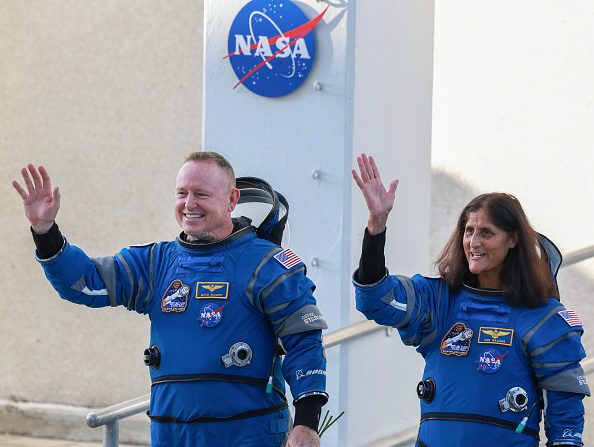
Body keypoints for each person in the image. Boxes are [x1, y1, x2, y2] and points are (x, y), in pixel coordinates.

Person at [12, 151, 328, 447]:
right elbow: (84, 283)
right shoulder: (155, 263)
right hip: (171, 433)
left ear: (232, 200)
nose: (189, 203)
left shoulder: (269, 265)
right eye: (181, 193)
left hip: (248, 434)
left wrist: (306, 425)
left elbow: (305, 344)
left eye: (201, 194)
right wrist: (45, 231)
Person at [351, 153, 589, 447]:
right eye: (468, 231)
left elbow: (566, 421)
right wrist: (377, 226)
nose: (473, 242)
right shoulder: (437, 300)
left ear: (513, 239)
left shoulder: (544, 317)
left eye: (486, 232)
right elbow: (376, 299)